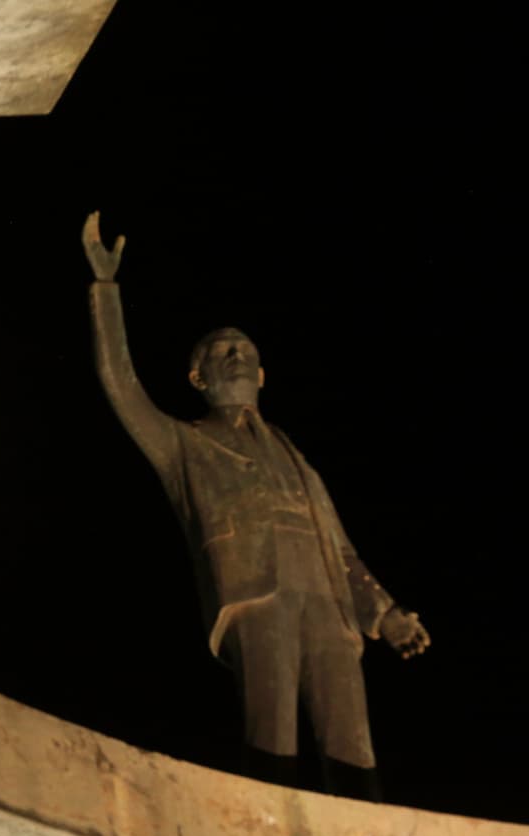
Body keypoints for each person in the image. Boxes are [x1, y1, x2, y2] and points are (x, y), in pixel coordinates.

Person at [81, 211, 429, 799]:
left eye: (243, 349)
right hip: (255, 596)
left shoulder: (297, 459)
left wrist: (383, 613)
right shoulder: (184, 445)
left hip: (329, 605)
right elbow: (121, 385)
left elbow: (341, 549)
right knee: (272, 736)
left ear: (263, 373)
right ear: (197, 376)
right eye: (220, 351)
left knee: (352, 743)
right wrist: (107, 292)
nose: (235, 355)